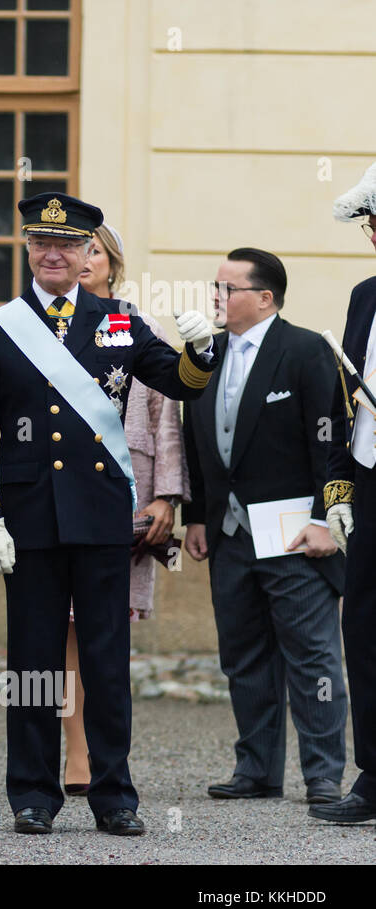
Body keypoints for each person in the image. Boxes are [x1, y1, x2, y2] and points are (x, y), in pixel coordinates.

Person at [0, 192, 218, 836]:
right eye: (43, 243)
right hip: (28, 517)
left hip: (103, 515)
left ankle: (114, 794)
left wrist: (201, 352)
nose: (55, 253)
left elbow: (177, 383)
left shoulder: (118, 322)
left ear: (85, 255)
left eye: (69, 244)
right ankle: (32, 793)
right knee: (33, 663)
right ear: (28, 249)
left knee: (105, 661)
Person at [181, 248, 347, 805]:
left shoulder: (304, 351)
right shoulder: (209, 355)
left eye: (228, 288)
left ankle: (323, 773)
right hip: (228, 534)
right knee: (244, 656)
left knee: (312, 656)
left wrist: (327, 520)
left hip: (297, 535)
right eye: (216, 286)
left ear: (264, 297)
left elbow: (330, 442)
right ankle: (256, 769)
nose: (217, 297)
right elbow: (197, 441)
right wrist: (198, 516)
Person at [60, 224, 190, 795]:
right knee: (61, 630)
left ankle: (110, 756)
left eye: (95, 250)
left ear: (113, 263)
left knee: (109, 632)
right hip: (58, 497)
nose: (83, 260)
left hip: (127, 493)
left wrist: (166, 495)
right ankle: (74, 756)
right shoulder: (41, 325)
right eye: (74, 249)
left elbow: (167, 416)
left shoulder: (137, 324)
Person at [315, 163, 376, 822]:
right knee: (363, 623)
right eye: (372, 224)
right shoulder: (364, 296)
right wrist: (340, 485)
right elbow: (346, 394)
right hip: (372, 477)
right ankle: (375, 773)